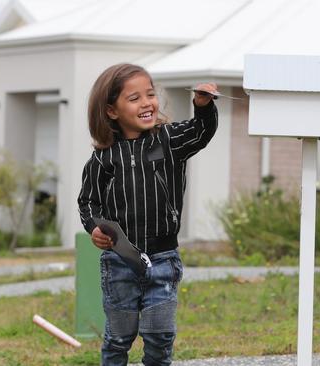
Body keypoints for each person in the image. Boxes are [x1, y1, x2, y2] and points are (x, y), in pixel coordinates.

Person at [78, 63, 219, 366]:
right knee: (119, 338)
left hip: (163, 260)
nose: (147, 103)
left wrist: (202, 106)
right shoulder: (103, 158)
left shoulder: (170, 141)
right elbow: (88, 203)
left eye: (150, 95)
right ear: (112, 111)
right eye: (134, 98)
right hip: (119, 262)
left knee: (159, 336)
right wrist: (94, 228)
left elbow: (202, 132)